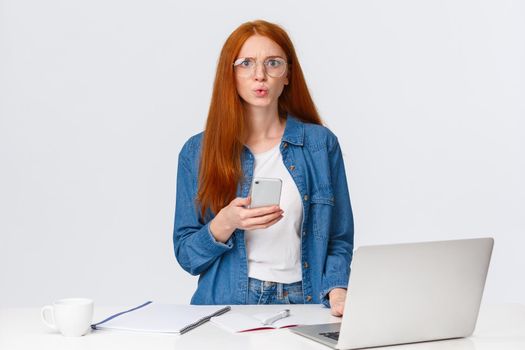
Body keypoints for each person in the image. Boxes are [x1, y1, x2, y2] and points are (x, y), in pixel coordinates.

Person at [173, 20, 354, 316]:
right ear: (230, 75)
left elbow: (339, 238)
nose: (260, 75)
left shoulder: (320, 145)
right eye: (246, 63)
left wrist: (337, 291)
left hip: (304, 301)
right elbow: (187, 256)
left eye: (273, 63)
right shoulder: (197, 152)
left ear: (287, 75)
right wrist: (226, 222)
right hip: (228, 303)